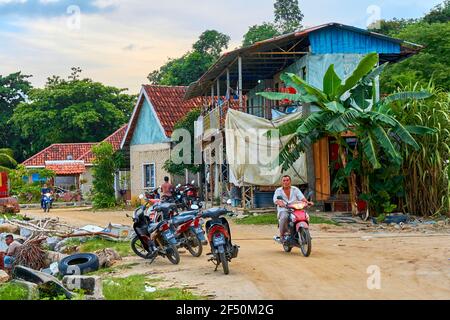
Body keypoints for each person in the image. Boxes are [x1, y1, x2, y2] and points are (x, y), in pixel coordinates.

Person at [273, 175, 314, 243]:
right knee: (284, 217)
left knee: (304, 216)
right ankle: (282, 235)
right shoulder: (278, 190)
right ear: (282, 182)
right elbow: (276, 200)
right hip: (284, 209)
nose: (286, 182)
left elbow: (302, 198)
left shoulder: (295, 189)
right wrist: (280, 203)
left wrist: (307, 202)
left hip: (295, 209)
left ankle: (304, 232)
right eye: (284, 180)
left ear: (290, 181)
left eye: (287, 180)